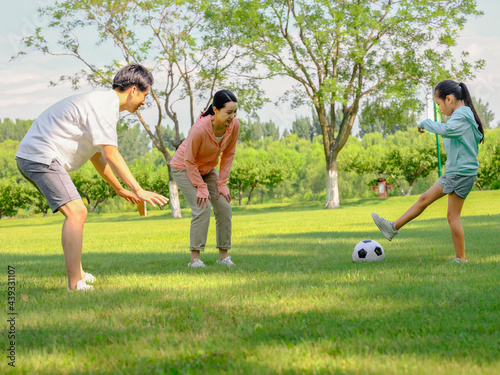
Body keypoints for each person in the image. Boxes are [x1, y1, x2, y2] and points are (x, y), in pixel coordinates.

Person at [16, 64, 169, 291]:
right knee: (77, 212)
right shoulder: (104, 106)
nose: (144, 102)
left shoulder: (102, 105)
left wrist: (118, 188)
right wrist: (139, 189)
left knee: (76, 213)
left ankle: (78, 275)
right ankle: (74, 284)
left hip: (36, 156)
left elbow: (98, 156)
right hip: (40, 156)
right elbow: (111, 153)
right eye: (145, 96)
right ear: (133, 90)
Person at [371, 80, 484, 263]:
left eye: (439, 104)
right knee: (440, 209)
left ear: (448, 99)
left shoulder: (461, 115)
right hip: (461, 172)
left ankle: (393, 228)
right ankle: (393, 228)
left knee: (439, 208)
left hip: (459, 173)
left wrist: (425, 122)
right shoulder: (465, 114)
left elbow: (447, 130)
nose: (440, 109)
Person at [169, 90, 239, 268]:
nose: (232, 116)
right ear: (215, 110)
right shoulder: (199, 129)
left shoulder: (234, 126)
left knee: (224, 206)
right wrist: (200, 186)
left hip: (207, 169)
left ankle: (223, 257)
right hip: (184, 167)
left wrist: (222, 183)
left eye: (235, 112)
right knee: (202, 206)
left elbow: (229, 154)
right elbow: (189, 160)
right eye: (228, 112)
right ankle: (195, 260)